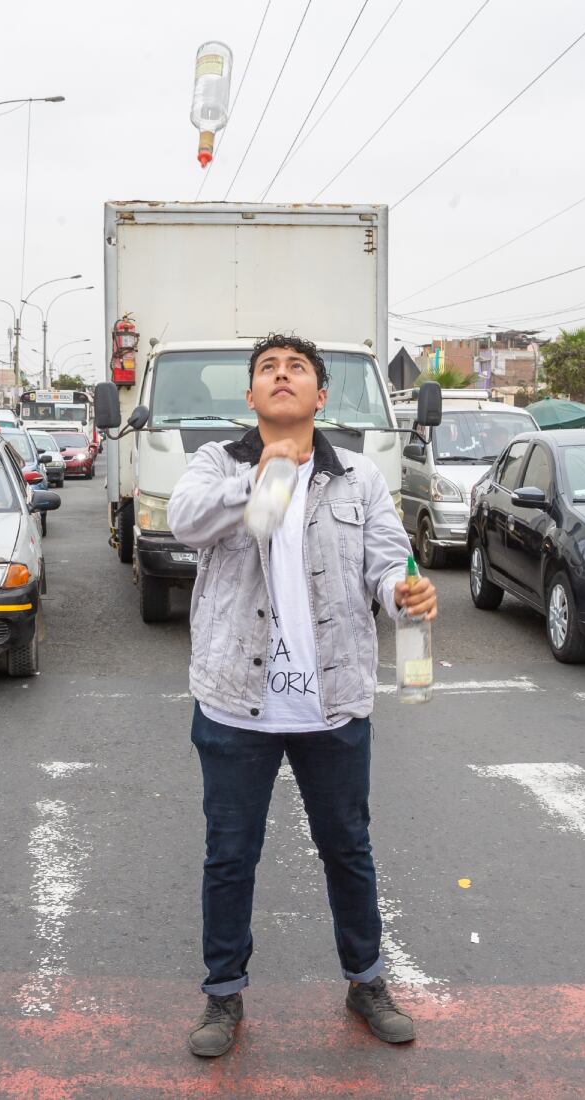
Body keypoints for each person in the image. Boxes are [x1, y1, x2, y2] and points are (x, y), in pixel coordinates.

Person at [168, 334, 437, 1058]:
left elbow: (386, 560)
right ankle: (223, 994)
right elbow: (184, 521)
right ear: (251, 397)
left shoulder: (358, 476)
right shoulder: (215, 464)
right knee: (230, 856)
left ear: (321, 395)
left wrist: (404, 591)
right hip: (235, 701)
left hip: (332, 702)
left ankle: (367, 981)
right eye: (268, 369)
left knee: (348, 848)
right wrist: (260, 476)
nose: (281, 376)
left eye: (296, 369)